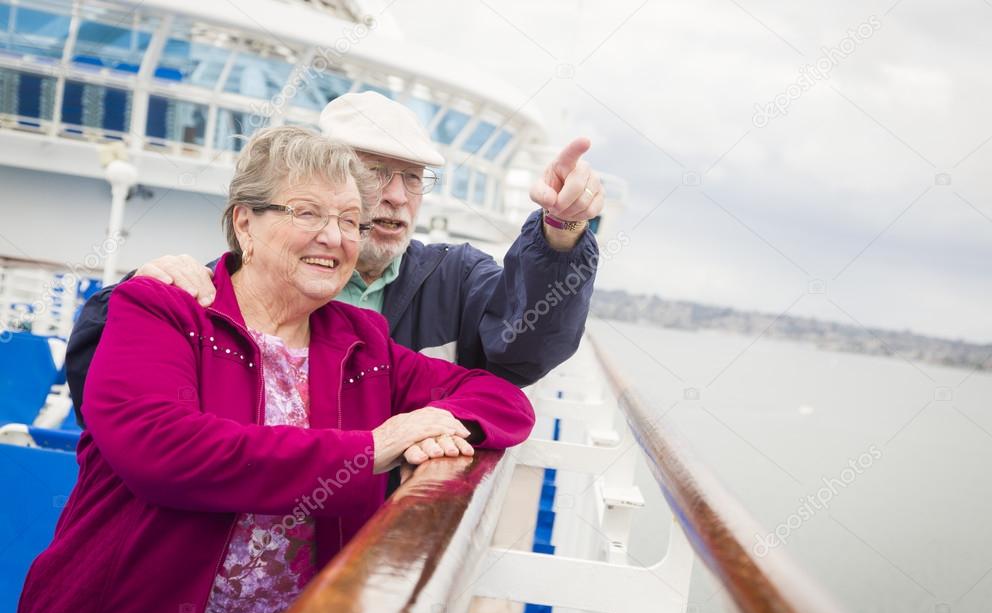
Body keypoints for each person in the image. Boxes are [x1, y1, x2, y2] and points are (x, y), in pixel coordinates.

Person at [14, 127, 535, 613]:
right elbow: (162, 453)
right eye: (307, 213)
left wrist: (438, 424)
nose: (334, 237)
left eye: (350, 221)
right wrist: (372, 450)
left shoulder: (362, 343)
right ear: (245, 222)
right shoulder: (165, 311)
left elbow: (505, 401)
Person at [66, 92, 604, 425]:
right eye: (375, 173)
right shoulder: (219, 290)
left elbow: (521, 356)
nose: (396, 195)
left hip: (384, 547)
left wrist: (561, 233)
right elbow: (111, 397)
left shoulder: (456, 278)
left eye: (413, 178)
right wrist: (131, 298)